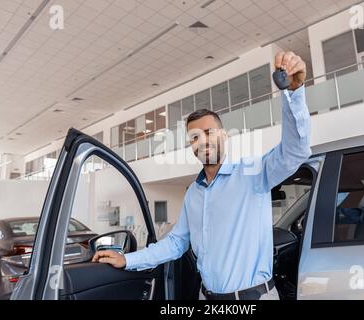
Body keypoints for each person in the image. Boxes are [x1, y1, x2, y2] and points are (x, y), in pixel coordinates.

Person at [92, 51, 311, 300]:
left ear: (224, 135)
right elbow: (175, 243)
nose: (202, 141)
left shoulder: (253, 174)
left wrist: (292, 93)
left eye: (209, 132)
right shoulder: (194, 194)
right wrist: (127, 259)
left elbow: (295, 151)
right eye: (195, 137)